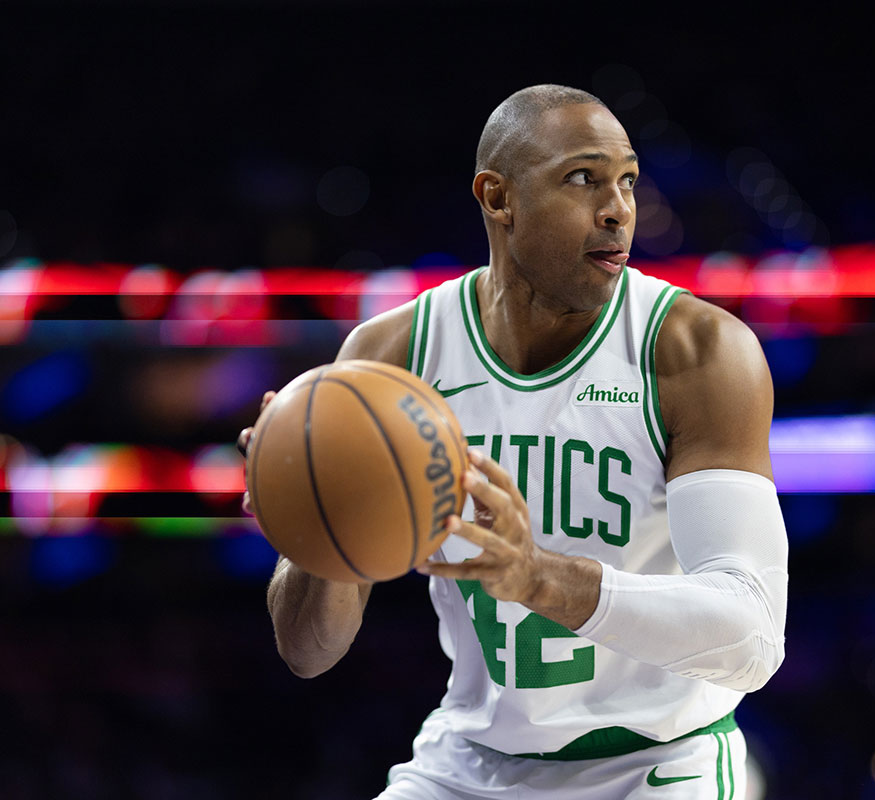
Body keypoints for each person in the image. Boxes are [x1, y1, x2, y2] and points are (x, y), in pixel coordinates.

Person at [238, 84, 789, 799]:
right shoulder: (391, 356)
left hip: (658, 762)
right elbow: (308, 653)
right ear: (498, 198)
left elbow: (752, 640)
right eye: (585, 178)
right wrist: (318, 514)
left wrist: (537, 578)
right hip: (469, 760)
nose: (618, 207)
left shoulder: (700, 351)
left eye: (627, 181)